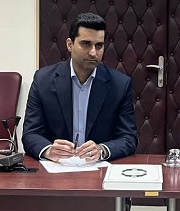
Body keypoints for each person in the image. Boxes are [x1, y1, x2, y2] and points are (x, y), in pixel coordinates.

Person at [22, 12, 138, 163]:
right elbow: (30, 133)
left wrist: (102, 150)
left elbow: (129, 138)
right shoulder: (43, 80)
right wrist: (48, 150)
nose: (93, 52)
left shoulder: (120, 84)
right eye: (86, 44)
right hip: (57, 167)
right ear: (70, 44)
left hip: (99, 168)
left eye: (99, 45)